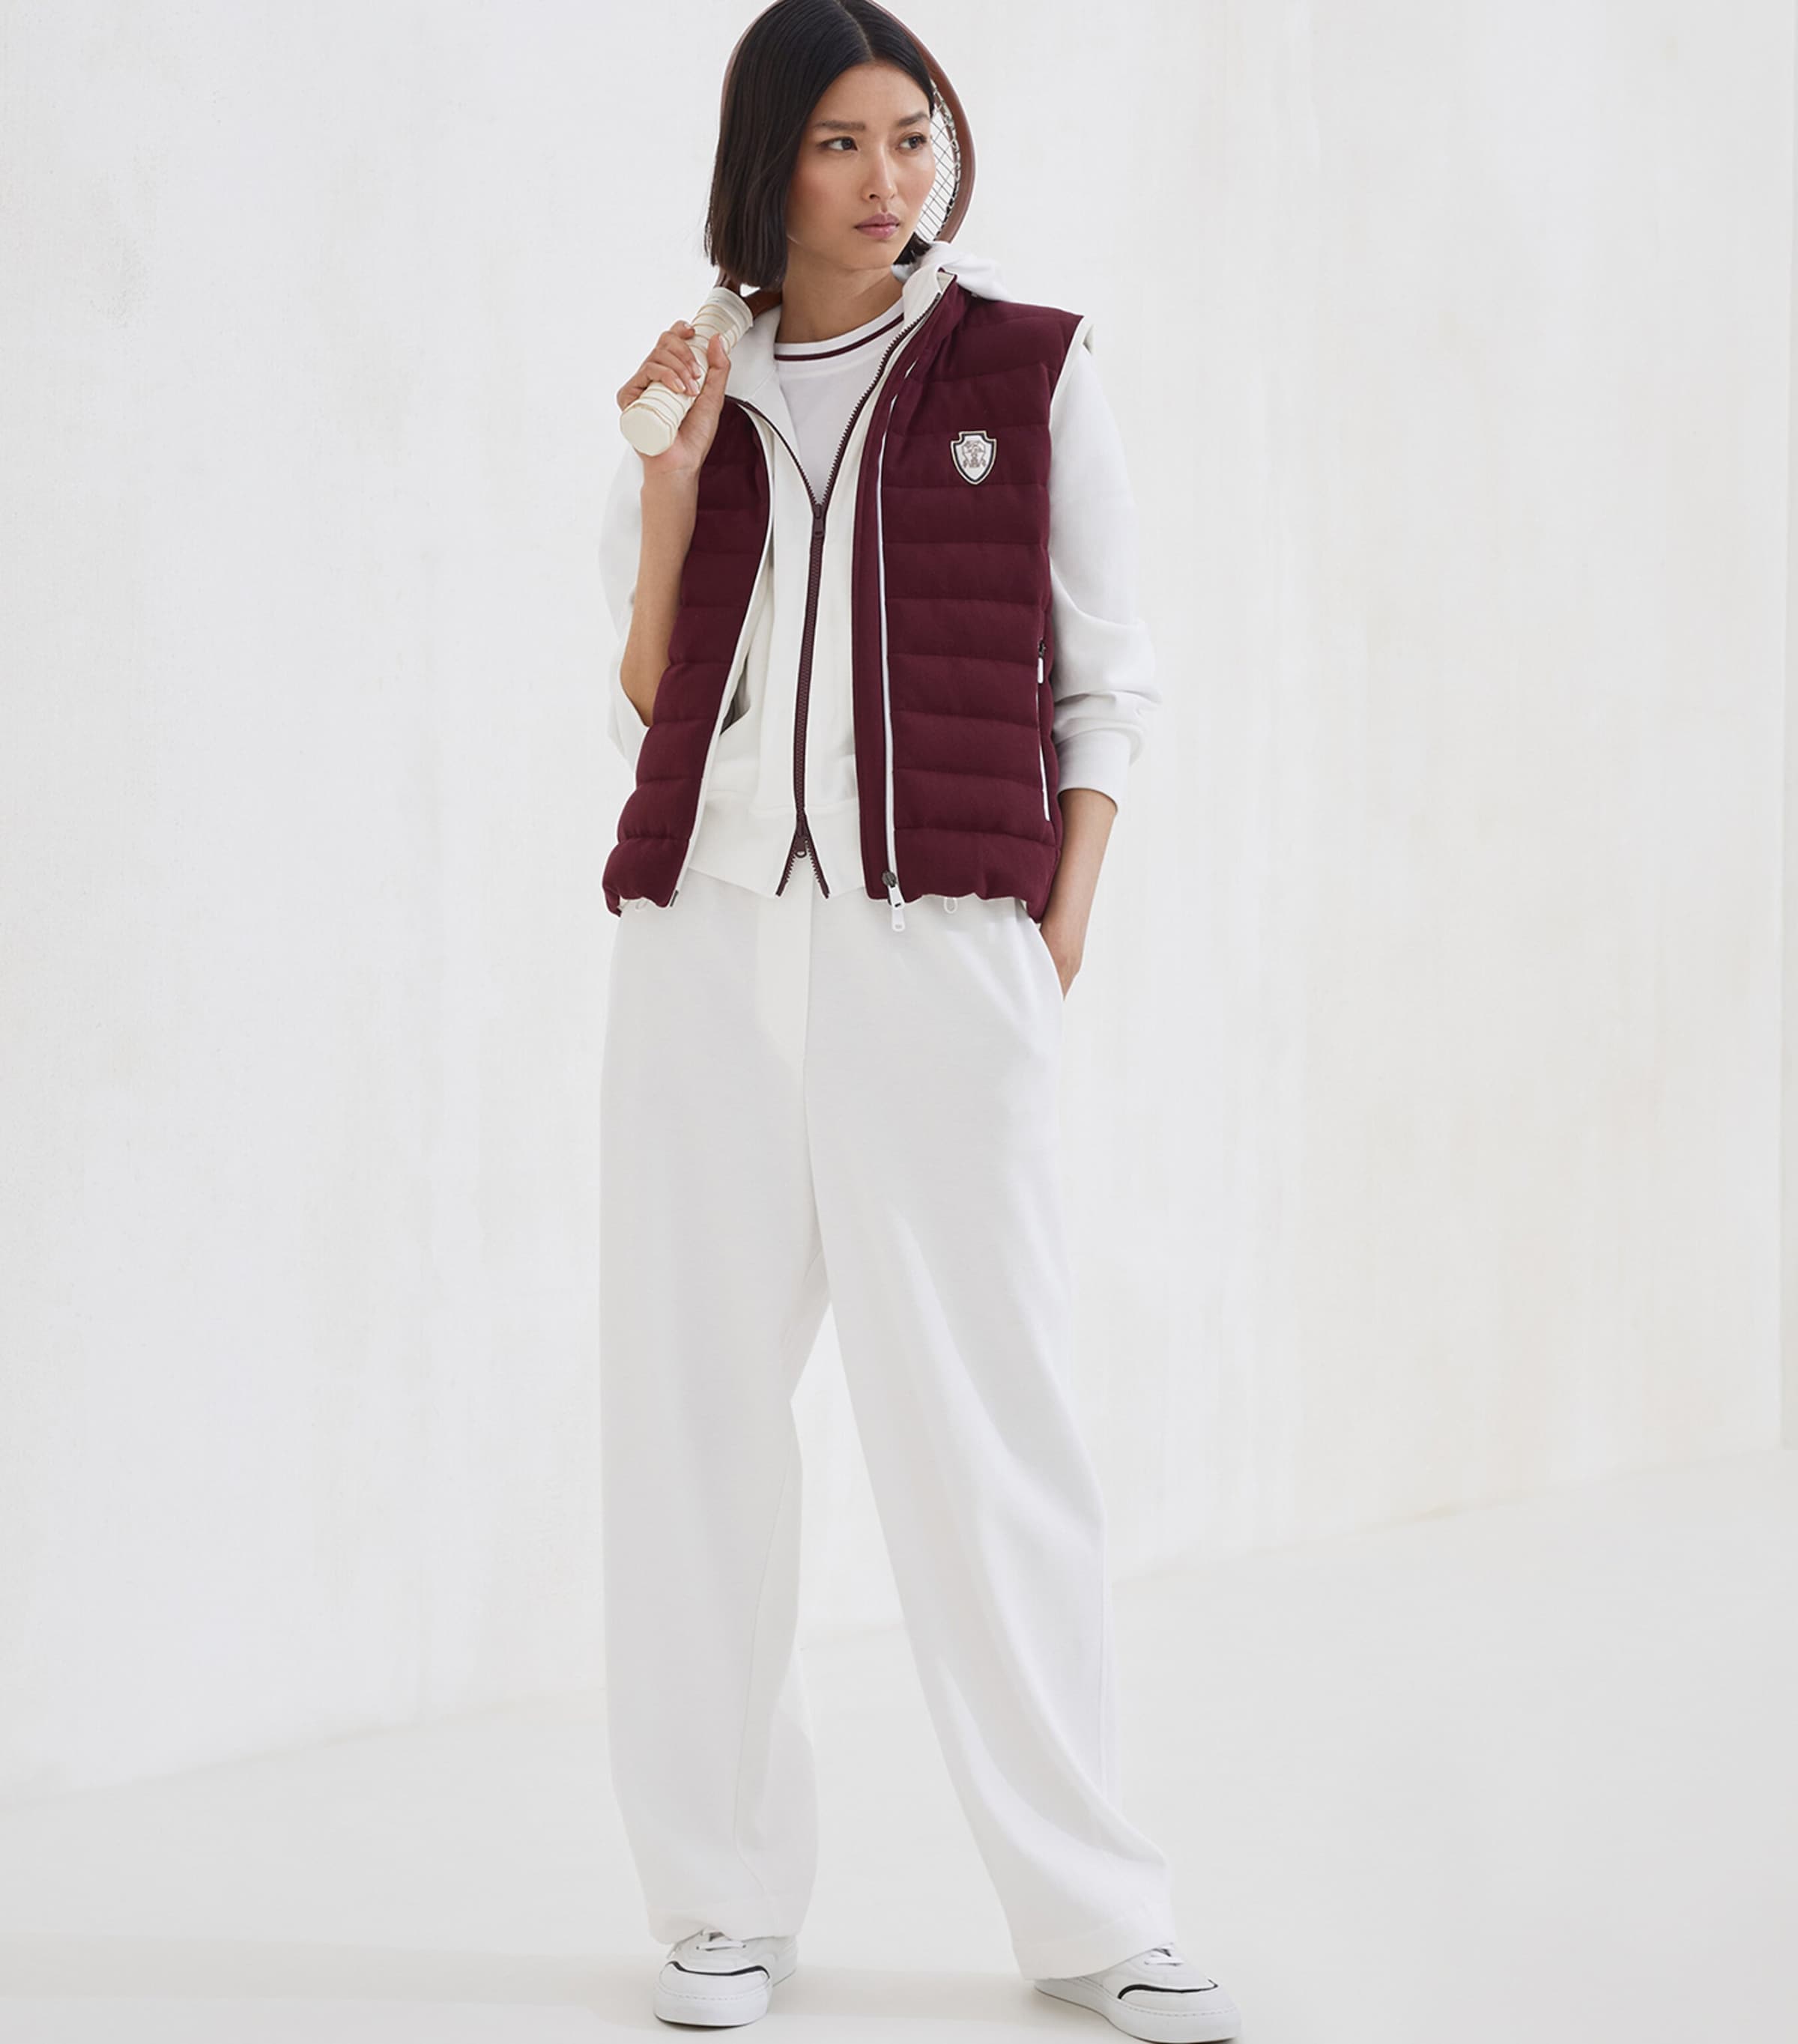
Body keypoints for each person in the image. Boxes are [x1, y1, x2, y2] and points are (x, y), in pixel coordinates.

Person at [596, 4, 1244, 2038]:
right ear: (767, 165)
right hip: (709, 959)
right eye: (842, 143)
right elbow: (653, 698)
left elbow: (1107, 681)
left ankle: (1097, 1913)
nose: (890, 179)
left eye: (914, 135)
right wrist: (669, 483)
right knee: (694, 1425)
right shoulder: (695, 380)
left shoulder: (1027, 367)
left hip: (938, 957)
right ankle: (718, 1901)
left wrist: (1054, 932)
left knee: (990, 1433)